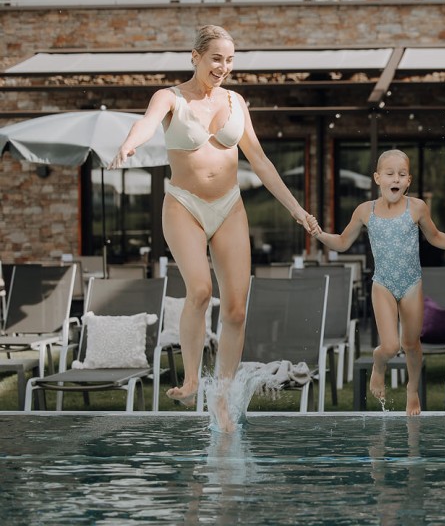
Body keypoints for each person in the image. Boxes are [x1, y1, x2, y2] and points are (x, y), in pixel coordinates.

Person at [110, 25, 317, 431]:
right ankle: (190, 379)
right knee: (201, 290)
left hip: (229, 207)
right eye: (216, 59)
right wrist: (129, 143)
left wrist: (296, 209)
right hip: (184, 205)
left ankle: (221, 396)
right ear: (195, 57)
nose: (223, 67)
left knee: (237, 309)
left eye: (230, 59)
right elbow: (147, 124)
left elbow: (259, 161)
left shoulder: (236, 101)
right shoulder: (169, 97)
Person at [310, 149, 445, 415]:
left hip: (411, 284)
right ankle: (378, 365)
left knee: (412, 344)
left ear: (409, 181)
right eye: (390, 174)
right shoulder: (364, 211)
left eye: (401, 174)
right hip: (383, 284)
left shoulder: (416, 207)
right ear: (377, 178)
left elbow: (436, 236)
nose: (396, 178)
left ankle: (412, 390)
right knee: (391, 346)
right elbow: (343, 242)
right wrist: (320, 234)